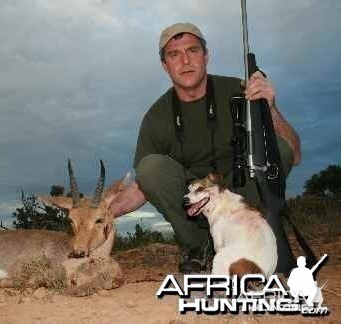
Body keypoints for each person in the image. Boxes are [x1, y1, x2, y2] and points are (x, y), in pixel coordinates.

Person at [109, 22, 302, 273]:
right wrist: (100, 216)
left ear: (206, 55)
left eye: (193, 51)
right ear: (164, 65)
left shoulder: (240, 91)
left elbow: (294, 155)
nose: (185, 61)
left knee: (279, 147)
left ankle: (257, 239)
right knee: (150, 168)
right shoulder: (156, 117)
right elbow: (143, 186)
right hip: (194, 204)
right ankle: (198, 246)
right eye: (174, 55)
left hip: (243, 201)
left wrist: (271, 107)